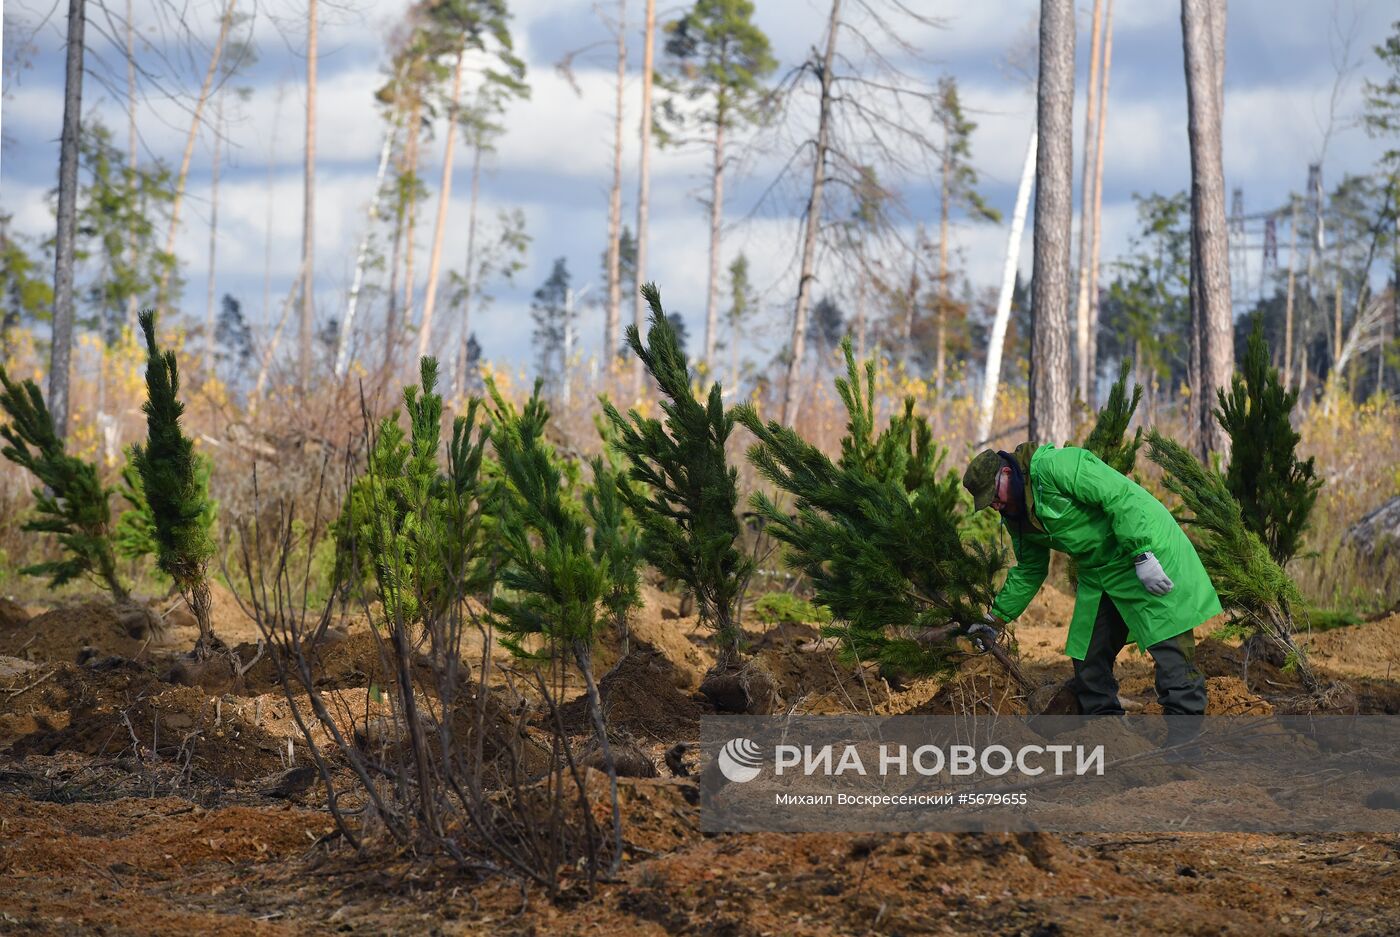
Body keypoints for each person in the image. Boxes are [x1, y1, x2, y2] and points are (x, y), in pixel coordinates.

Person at [961, 442, 1220, 716]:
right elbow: (1029, 570)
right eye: (988, 502)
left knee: (1171, 652)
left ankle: (1184, 747)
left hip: (1146, 554)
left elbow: (1119, 497)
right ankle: (1109, 733)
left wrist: (1141, 553)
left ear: (1007, 473)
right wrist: (995, 619)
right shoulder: (1016, 516)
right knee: (1087, 656)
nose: (995, 504)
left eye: (994, 495)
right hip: (1101, 574)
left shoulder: (1055, 466)